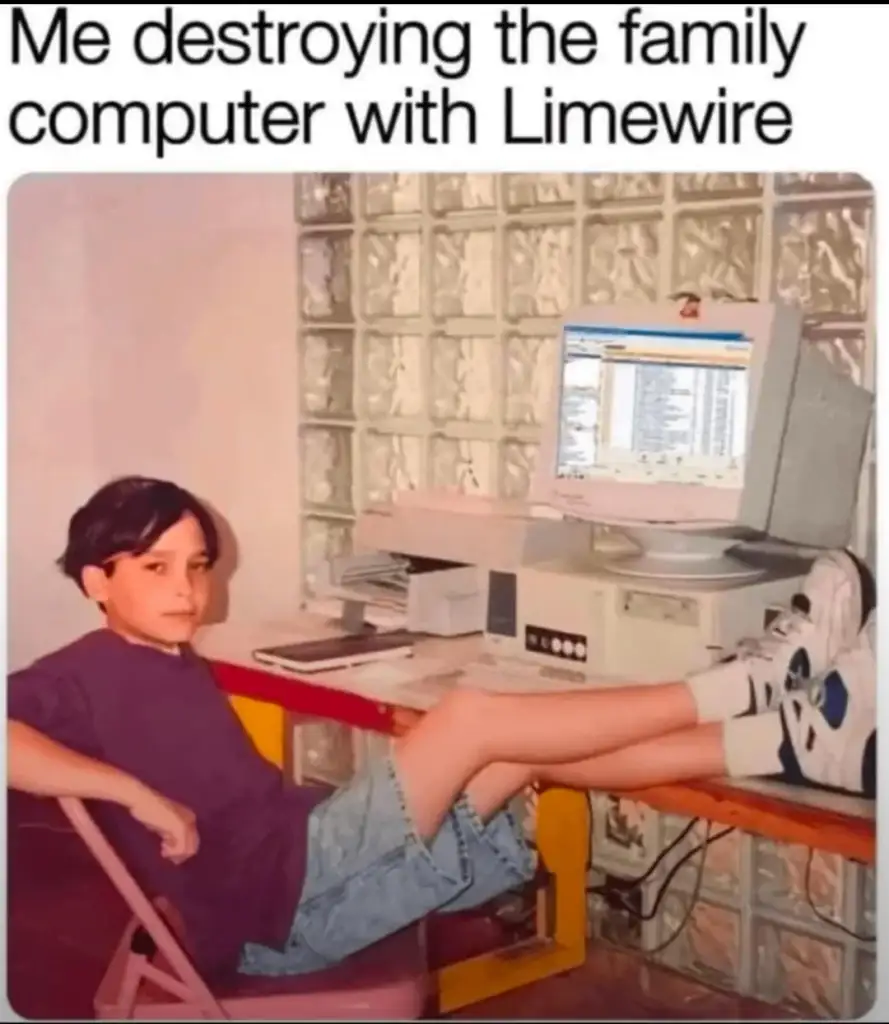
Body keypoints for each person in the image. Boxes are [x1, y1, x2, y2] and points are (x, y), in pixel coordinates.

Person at [7, 476, 876, 982]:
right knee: (469, 716)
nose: (186, 589)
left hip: (298, 857)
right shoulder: (82, 671)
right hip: (279, 910)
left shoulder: (167, 656)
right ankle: (746, 683)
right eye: (155, 568)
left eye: (196, 567)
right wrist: (133, 795)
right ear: (96, 581)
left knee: (531, 748)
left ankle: (792, 741)